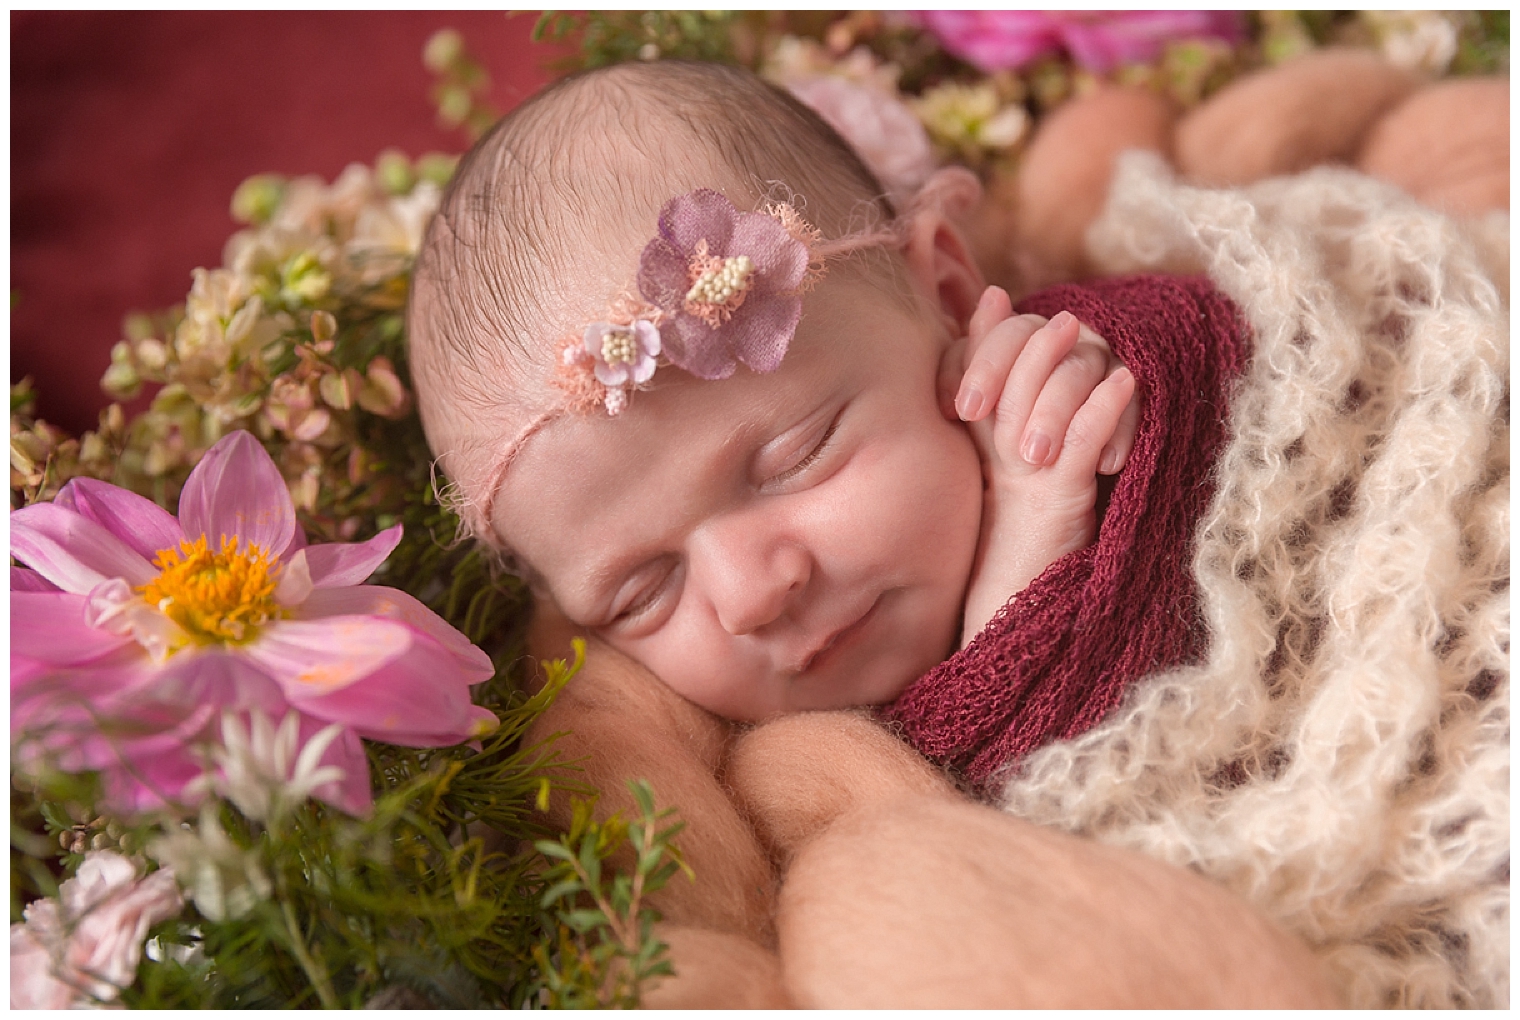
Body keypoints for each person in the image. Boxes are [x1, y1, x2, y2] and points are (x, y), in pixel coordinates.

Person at [408, 59, 1337, 1007]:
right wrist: (1019, 571)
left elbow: (1248, 373)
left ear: (944, 288)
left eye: (794, 458)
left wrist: (1082, 432)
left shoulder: (1078, 379)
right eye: (641, 591)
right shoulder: (726, 802)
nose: (751, 592)